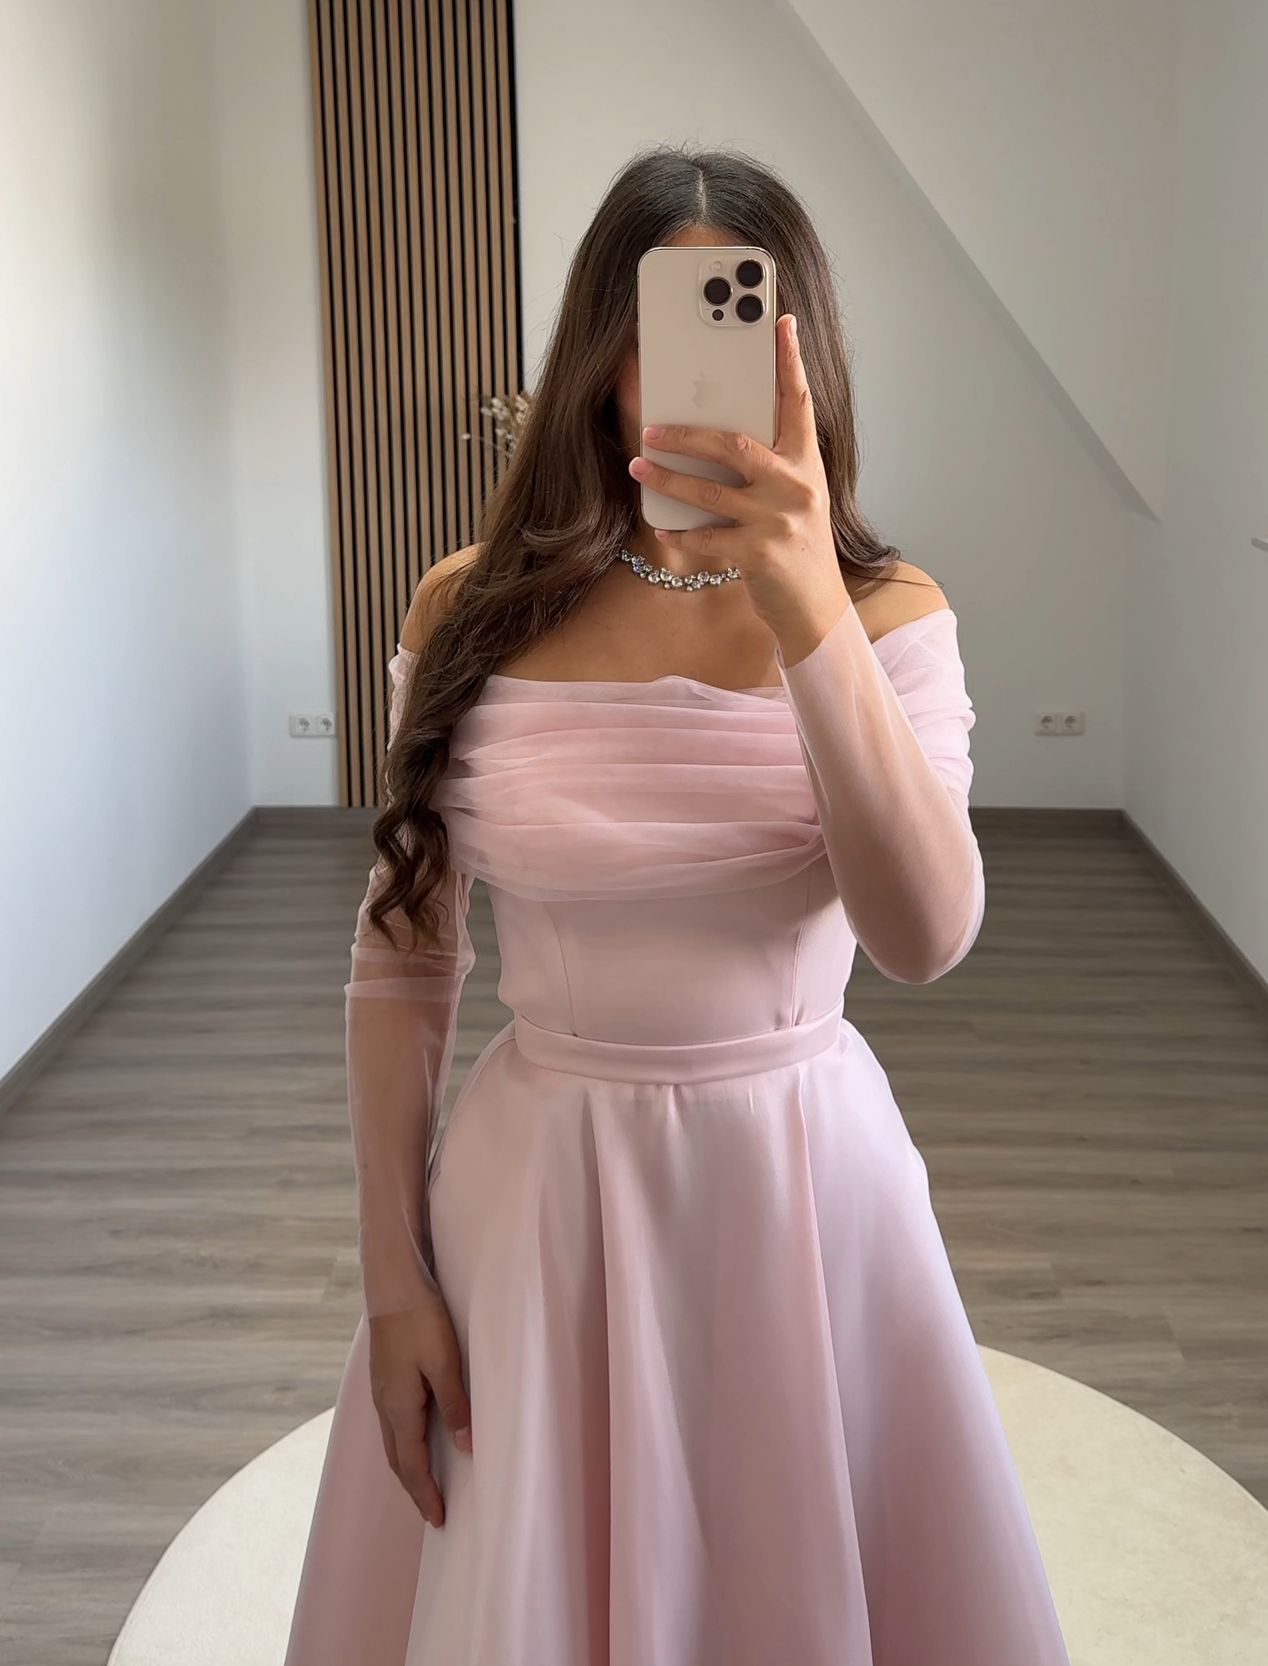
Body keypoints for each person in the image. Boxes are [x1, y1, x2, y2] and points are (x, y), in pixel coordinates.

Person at [284, 145, 1071, 1666]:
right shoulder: (468, 609)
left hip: (803, 1187)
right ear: (600, 356)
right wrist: (393, 1278)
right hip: (538, 1202)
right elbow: (404, 960)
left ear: (801, 356)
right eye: (657, 329)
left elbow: (924, 936)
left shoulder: (888, 611)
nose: (689, 376)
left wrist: (807, 610)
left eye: (738, 323)